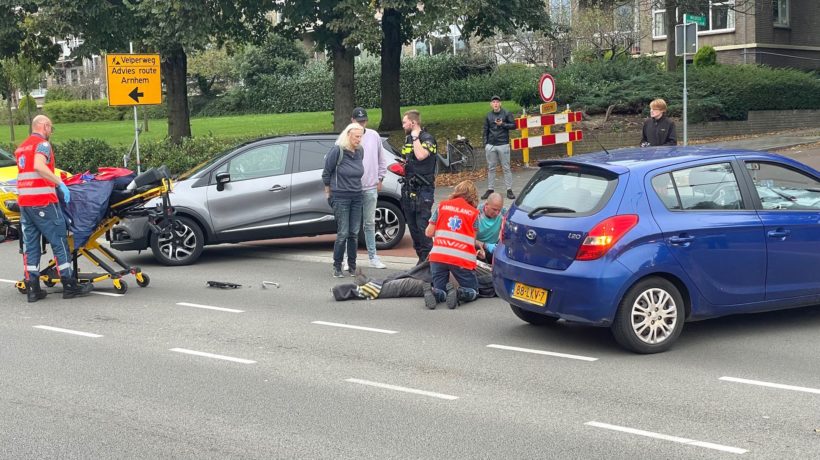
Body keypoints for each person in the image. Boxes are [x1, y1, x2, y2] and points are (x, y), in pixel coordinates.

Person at [15, 115, 93, 302]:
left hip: (25, 203)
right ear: (44, 126)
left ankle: (33, 288)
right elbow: (39, 166)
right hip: (43, 202)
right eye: (51, 128)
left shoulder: (22, 147)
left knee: (31, 246)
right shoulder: (42, 145)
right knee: (59, 242)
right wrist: (60, 184)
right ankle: (69, 285)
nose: (51, 132)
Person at [423, 180, 480, 310]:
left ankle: (434, 292)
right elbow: (472, 241)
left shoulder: (442, 206)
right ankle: (460, 292)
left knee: (441, 289)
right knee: (473, 291)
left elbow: (428, 232)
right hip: (461, 260)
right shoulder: (474, 214)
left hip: (438, 256)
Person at [331, 260, 496, 302]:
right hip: (441, 267)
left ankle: (351, 291)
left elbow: (484, 284)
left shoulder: (494, 275)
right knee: (407, 274)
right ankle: (370, 281)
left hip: (446, 281)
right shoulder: (488, 265)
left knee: (404, 285)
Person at [322, 123, 365, 278]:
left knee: (354, 233)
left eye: (361, 136)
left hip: (357, 196)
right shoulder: (337, 151)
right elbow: (326, 172)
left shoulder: (360, 151)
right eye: (356, 136)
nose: (359, 140)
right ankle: (337, 266)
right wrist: (328, 193)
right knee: (343, 233)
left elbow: (359, 171)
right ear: (348, 135)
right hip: (340, 196)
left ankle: (352, 266)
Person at [350, 107, 388, 269]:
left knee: (369, 223)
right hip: (352, 188)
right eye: (358, 121)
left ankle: (373, 256)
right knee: (351, 224)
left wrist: (380, 178)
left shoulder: (373, 136)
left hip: (370, 186)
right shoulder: (347, 137)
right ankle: (348, 257)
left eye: (363, 121)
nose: (361, 124)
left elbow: (381, 158)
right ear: (352, 121)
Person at [400, 109, 437, 264]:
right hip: (409, 189)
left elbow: (421, 156)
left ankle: (429, 263)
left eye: (404, 122)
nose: (402, 125)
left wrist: (416, 138)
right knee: (414, 229)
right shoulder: (408, 139)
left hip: (424, 190)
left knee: (423, 228)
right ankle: (421, 260)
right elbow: (406, 158)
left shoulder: (427, 138)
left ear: (413, 123)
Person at [482, 95, 516, 201]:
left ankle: (509, 189)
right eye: (493, 102)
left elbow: (514, 126)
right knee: (491, 168)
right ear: (491, 104)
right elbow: (485, 130)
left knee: (506, 167)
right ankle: (490, 189)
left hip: (503, 144)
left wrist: (503, 124)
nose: (495, 104)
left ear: (500, 103)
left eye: (497, 102)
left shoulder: (506, 113)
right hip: (491, 145)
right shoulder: (488, 115)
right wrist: (485, 144)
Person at [475, 192, 506, 264]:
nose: (497, 213)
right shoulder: (476, 214)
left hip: (494, 247)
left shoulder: (503, 212)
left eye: (499, 210)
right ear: (486, 205)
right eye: (494, 210)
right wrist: (485, 245)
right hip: (478, 248)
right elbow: (469, 239)